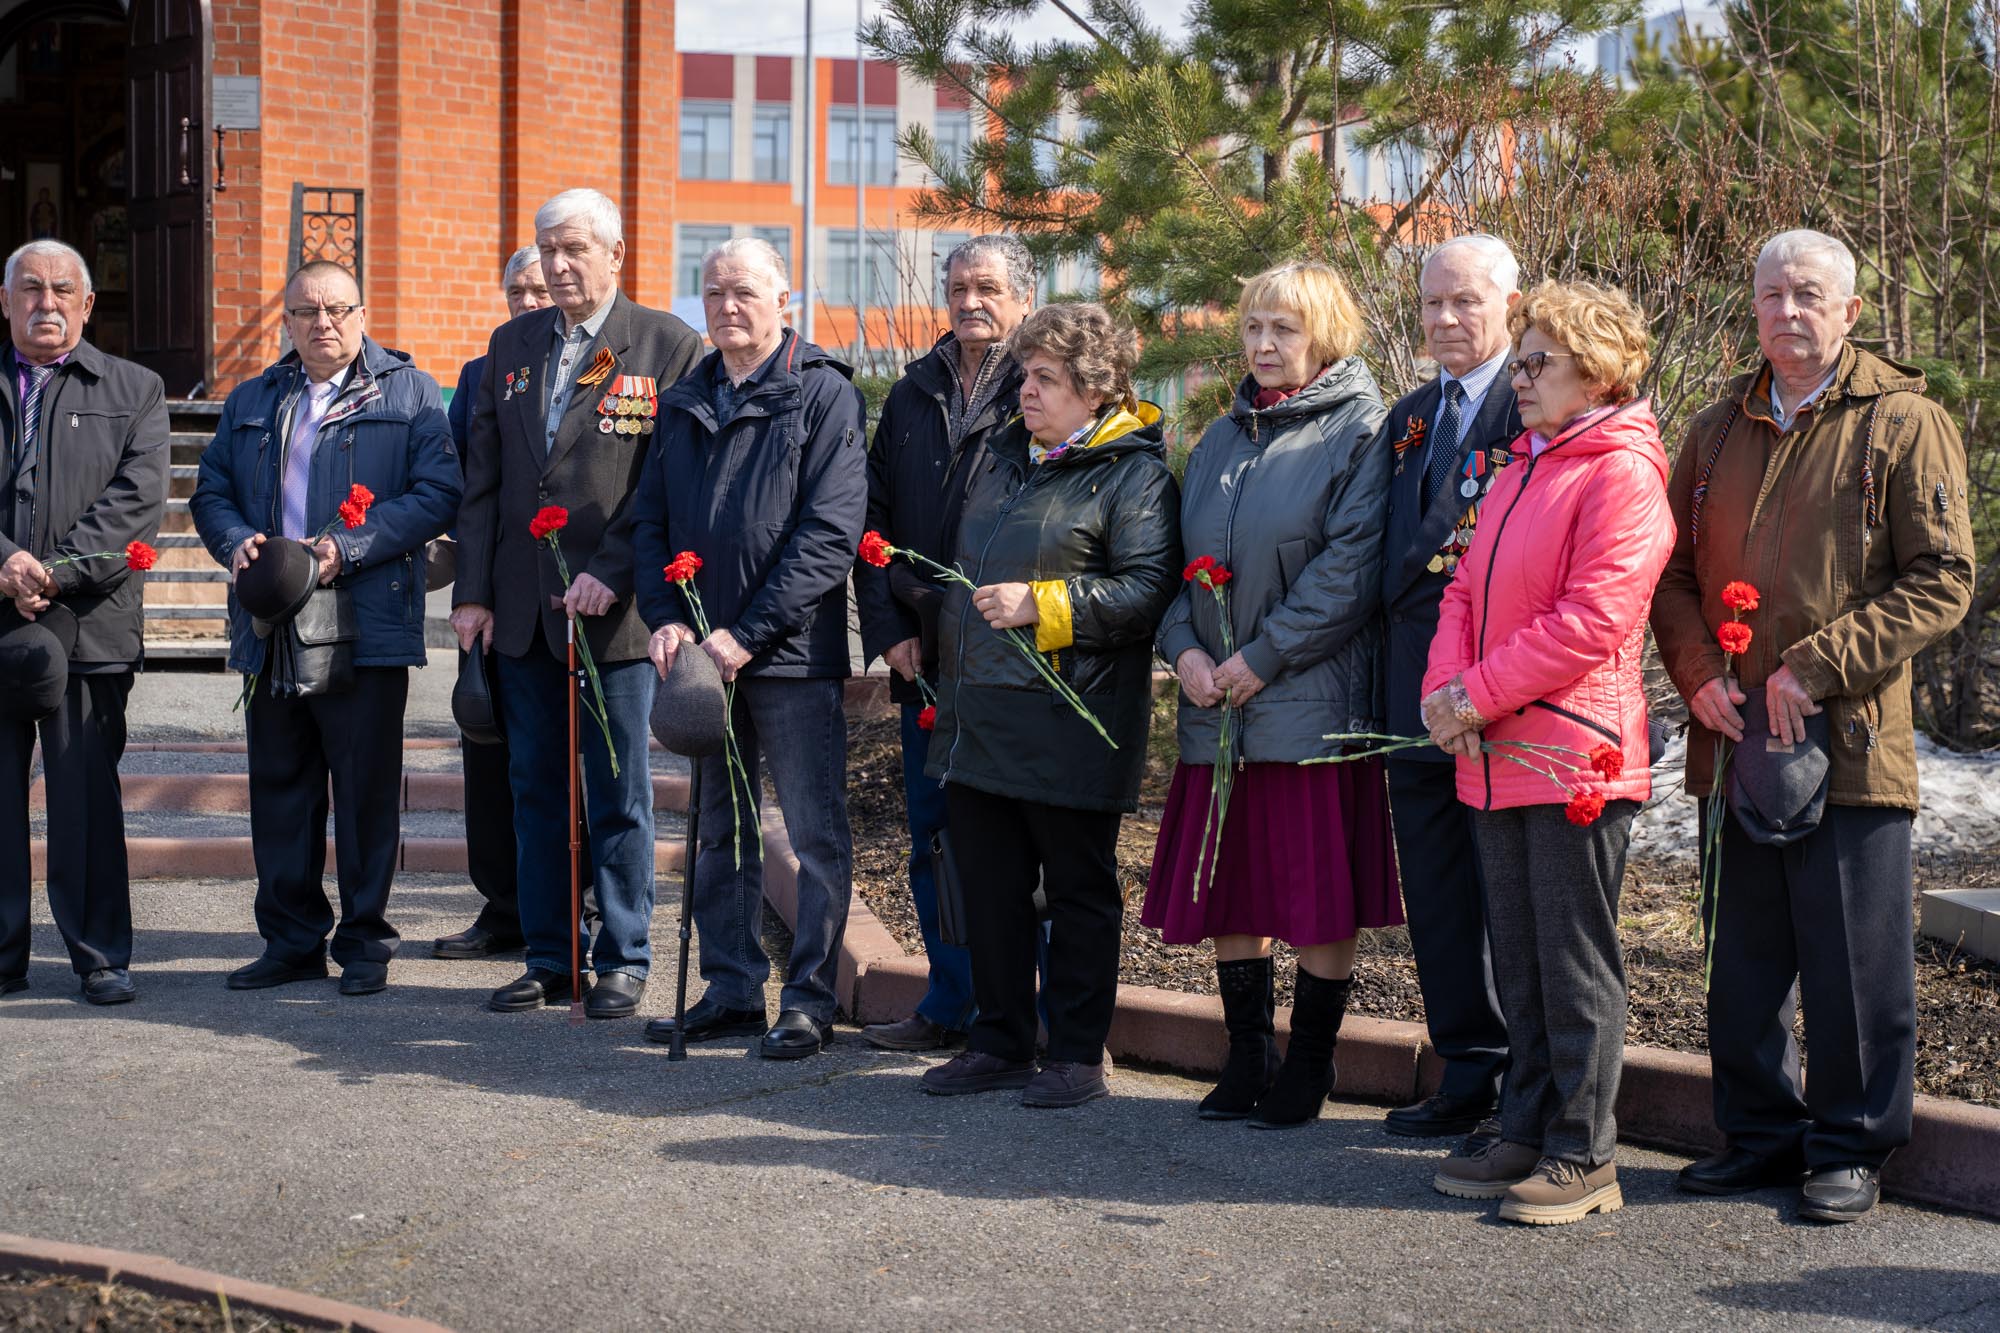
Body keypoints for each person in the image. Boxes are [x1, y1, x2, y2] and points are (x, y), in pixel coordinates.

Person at [1652, 230, 1974, 1223]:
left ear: (1847, 309)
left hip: (1847, 743)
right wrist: (1699, 676)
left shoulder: (1902, 422)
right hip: (1732, 739)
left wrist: (1815, 666)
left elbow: (1942, 580)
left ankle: (1847, 1146)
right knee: (1741, 962)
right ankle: (1758, 1136)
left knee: (1850, 964)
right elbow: (1667, 579)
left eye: (1806, 294)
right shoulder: (1712, 429)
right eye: (1768, 295)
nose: (1784, 311)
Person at [1421, 280, 1673, 1225]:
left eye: (1538, 363)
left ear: (1598, 371)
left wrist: (1473, 695)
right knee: (1518, 960)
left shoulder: (1620, 470)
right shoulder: (1523, 462)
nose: (1518, 378)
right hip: (1492, 748)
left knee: (1573, 963)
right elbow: (1459, 594)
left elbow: (1595, 618)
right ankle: (1523, 1127)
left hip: (1574, 755)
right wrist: (1444, 693)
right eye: (1519, 362)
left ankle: (1584, 1154)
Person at [1141, 260, 1398, 1129]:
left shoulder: (1364, 430)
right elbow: (1179, 572)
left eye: (1283, 329)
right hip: (1218, 705)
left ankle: (1312, 1064)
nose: (1263, 344)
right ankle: (1248, 1051)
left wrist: (1263, 655)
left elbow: (1351, 569)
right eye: (1253, 327)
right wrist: (1183, 652)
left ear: (1324, 332)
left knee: (1318, 890)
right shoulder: (1220, 438)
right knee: (1233, 883)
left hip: (1308, 699)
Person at [919, 302, 1181, 1108]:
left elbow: (1146, 591)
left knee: (1075, 890)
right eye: (1024, 376)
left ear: (1095, 389)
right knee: (990, 885)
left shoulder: (1132, 470)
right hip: (981, 715)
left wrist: (1045, 604)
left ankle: (1074, 1051)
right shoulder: (1004, 456)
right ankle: (998, 1038)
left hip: (1072, 717)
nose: (1026, 391)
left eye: (1046, 379)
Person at [452, 188, 703, 1018]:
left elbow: (666, 482)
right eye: (546, 250)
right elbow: (483, 481)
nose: (557, 267)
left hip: (615, 613)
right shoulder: (511, 343)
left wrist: (616, 568)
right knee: (533, 788)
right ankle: (550, 953)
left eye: (573, 250)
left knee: (617, 787)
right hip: (525, 610)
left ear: (615, 253)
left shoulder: (667, 345)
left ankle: (623, 954)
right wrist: (475, 595)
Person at [190, 260, 461, 997]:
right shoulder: (255, 396)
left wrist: (353, 544)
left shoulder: (408, 393)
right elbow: (209, 489)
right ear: (287, 320)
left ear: (363, 313)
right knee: (280, 783)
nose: (324, 323)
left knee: (365, 788)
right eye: (308, 311)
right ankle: (290, 939)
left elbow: (439, 493)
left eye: (339, 309)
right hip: (272, 621)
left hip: (363, 622)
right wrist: (235, 539)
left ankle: (366, 941)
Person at [632, 237, 867, 1059]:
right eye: (714, 291)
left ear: (783, 302)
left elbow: (829, 534)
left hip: (791, 656)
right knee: (718, 829)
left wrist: (746, 632)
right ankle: (732, 987)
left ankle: (807, 999)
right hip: (702, 657)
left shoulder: (823, 394)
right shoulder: (685, 396)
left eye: (745, 293)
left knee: (813, 833)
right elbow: (648, 522)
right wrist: (667, 616)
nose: (727, 307)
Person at [853, 233, 1036, 1052]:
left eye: (988, 286)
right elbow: (871, 524)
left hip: (1016, 655)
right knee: (935, 838)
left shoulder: (1045, 385)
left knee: (1021, 845)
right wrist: (887, 630)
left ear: (1022, 297)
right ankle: (950, 1001)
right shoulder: (911, 393)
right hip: (924, 657)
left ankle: (1034, 1014)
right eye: (958, 286)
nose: (971, 301)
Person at [1377, 234, 1523, 1139]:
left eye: (1464, 302)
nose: (1444, 319)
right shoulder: (1410, 415)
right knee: (1434, 890)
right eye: (1432, 303)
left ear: (1509, 302)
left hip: (1492, 691)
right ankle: (1465, 1063)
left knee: (1501, 890)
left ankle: (1520, 1077)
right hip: (1408, 690)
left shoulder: (1536, 406)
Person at [0, 240, 168, 1005]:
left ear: (88, 304)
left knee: (85, 797)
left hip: (89, 622)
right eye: (30, 288)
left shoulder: (134, 388)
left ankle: (99, 954)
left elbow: (136, 503)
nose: (48, 302)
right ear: (5, 301)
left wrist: (53, 572)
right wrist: (3, 561)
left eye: (63, 289)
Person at [432, 245, 565, 961]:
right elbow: (466, 487)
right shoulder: (484, 371)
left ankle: (582, 905)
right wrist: (471, 592)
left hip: (582, 600)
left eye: (541, 286)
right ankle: (504, 905)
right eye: (518, 288)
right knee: (490, 754)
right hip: (498, 600)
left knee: (576, 765)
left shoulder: (608, 361)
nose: (529, 299)